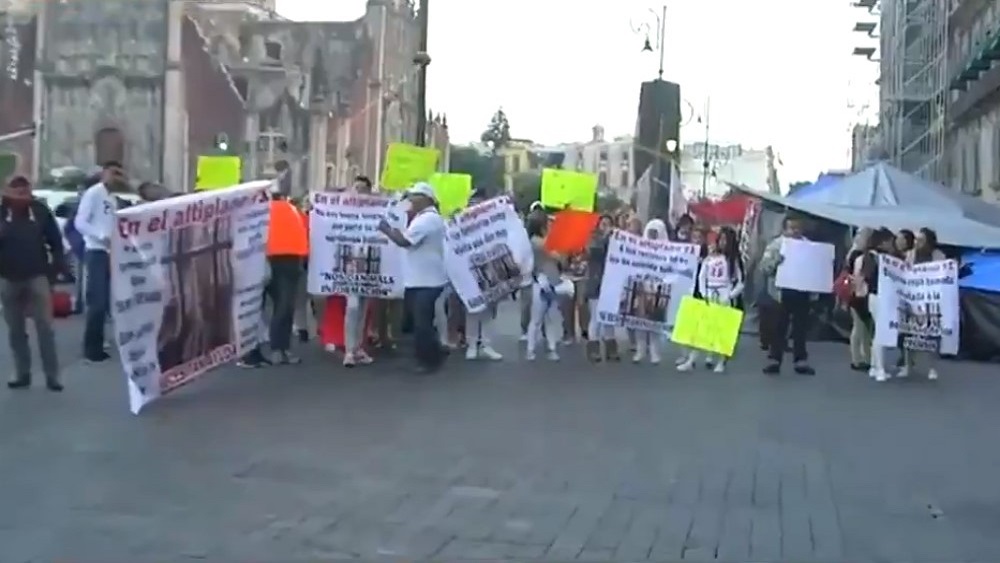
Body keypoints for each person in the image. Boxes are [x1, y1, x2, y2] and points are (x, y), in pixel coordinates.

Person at [0, 176, 68, 391]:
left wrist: (54, 273)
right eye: (16, 192)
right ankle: (22, 372)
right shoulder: (2, 212)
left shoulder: (39, 211)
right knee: (15, 328)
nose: (22, 196)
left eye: (25, 192)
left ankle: (52, 375)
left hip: (37, 275)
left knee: (45, 327)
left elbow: (56, 243)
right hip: (7, 277)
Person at [378, 183, 448, 373]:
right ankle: (433, 354)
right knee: (420, 321)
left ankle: (428, 361)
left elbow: (404, 241)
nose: (411, 200)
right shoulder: (423, 217)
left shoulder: (428, 220)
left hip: (426, 280)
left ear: (426, 199)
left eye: (414, 196)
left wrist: (385, 229)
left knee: (422, 323)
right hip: (420, 278)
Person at [75, 161, 126, 363]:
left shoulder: (112, 199)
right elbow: (80, 222)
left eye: (119, 174)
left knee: (105, 302)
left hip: (110, 253)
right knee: (96, 301)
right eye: (113, 173)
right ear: (104, 173)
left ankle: (99, 342)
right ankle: (91, 348)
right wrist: (100, 235)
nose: (116, 177)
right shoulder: (94, 193)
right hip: (96, 251)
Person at [678, 226, 744, 373]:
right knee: (702, 331)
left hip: (724, 296)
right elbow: (702, 276)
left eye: (726, 240)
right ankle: (691, 361)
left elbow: (740, 283)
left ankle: (721, 362)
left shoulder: (734, 260)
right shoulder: (711, 257)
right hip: (709, 295)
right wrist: (704, 294)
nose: (723, 243)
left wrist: (730, 295)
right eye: (721, 239)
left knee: (723, 332)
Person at [758, 215, 815, 376]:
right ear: (784, 229)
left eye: (798, 228)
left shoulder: (809, 246)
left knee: (800, 328)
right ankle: (774, 360)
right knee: (779, 327)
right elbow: (763, 268)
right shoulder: (776, 245)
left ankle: (800, 361)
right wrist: (776, 260)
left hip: (802, 291)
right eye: (791, 228)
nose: (795, 231)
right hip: (781, 292)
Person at [264, 185, 308, 365]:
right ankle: (281, 348)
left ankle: (276, 349)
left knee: (276, 308)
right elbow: (305, 232)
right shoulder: (292, 210)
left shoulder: (263, 212)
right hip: (289, 262)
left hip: (267, 261)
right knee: (285, 308)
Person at [899, 227, 946, 380]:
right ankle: (907, 365)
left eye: (921, 240)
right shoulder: (910, 255)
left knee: (932, 334)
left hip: (931, 300)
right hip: (913, 298)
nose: (917, 242)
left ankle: (932, 367)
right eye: (917, 239)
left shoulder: (938, 256)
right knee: (909, 332)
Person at [525, 216, 567, 361]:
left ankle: (552, 348)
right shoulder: (535, 241)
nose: (550, 226)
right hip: (541, 282)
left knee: (551, 317)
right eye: (548, 224)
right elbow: (554, 254)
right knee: (536, 318)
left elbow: (562, 259)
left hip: (553, 280)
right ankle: (530, 349)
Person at [859, 228, 895, 381]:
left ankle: (875, 366)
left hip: (876, 296)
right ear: (883, 242)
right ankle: (879, 368)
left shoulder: (873, 256)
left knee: (877, 332)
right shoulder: (876, 257)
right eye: (890, 242)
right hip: (878, 296)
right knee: (880, 332)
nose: (892, 245)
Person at [633, 219, 669, 364]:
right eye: (651, 233)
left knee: (655, 321)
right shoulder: (640, 250)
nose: (653, 236)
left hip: (658, 289)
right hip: (643, 287)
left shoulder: (668, 251)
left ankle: (655, 351)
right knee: (640, 321)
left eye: (656, 233)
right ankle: (640, 350)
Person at [584, 214, 618, 362]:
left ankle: (611, 347)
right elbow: (595, 251)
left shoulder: (615, 241)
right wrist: (605, 237)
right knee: (596, 318)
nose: (606, 227)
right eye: (603, 224)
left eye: (609, 224)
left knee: (609, 317)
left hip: (610, 283)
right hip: (596, 282)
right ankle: (593, 348)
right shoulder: (593, 239)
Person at [846, 228, 874, 372]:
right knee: (860, 328)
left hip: (856, 293)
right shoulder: (858, 255)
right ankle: (857, 359)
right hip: (859, 294)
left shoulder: (854, 253)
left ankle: (864, 358)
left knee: (862, 329)